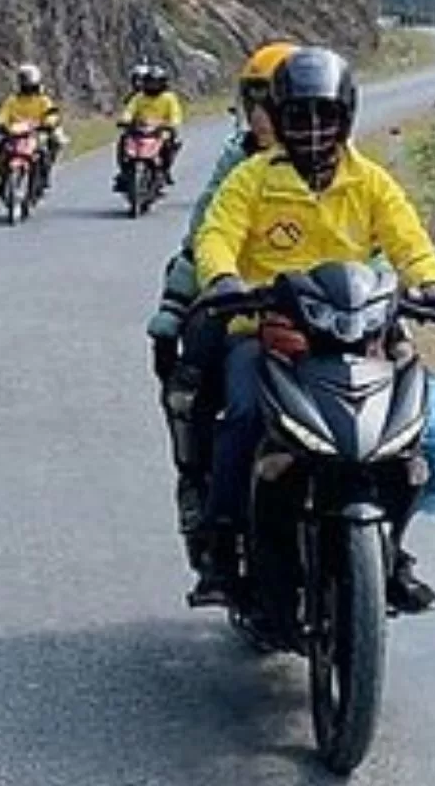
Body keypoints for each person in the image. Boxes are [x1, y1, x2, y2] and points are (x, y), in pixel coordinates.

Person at [190, 47, 435, 613]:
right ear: (279, 118)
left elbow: (408, 239)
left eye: (325, 116)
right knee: (242, 411)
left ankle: (391, 550)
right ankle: (221, 542)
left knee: (412, 430)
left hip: (361, 329)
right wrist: (221, 279)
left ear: (345, 118)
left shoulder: (370, 181)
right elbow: (216, 234)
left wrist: (432, 284)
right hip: (269, 330)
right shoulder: (251, 180)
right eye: (299, 117)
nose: (313, 130)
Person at [144, 41, 294, 567]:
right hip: (244, 312)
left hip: (329, 323)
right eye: (255, 100)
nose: (262, 114)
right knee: (193, 388)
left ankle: (391, 540)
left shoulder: (342, 165)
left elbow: (377, 241)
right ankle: (209, 507)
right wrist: (176, 302)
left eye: (274, 101)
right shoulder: (239, 163)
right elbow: (205, 235)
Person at [0, 62, 63, 193]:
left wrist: (49, 123)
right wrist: (0, 123)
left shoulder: (42, 99)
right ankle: (3, 178)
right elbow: (4, 114)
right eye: (23, 78)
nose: (25, 82)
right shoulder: (13, 100)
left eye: (27, 78)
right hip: (16, 133)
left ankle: (44, 173)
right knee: (1, 147)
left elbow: (51, 113)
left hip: (37, 131)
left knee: (52, 144)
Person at [115, 62, 185, 186]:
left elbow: (175, 113)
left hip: (161, 129)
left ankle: (164, 169)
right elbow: (130, 110)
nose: (153, 86)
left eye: (156, 83)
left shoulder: (169, 97)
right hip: (140, 128)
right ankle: (125, 170)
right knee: (123, 141)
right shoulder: (139, 97)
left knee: (169, 144)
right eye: (150, 82)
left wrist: (172, 124)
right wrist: (125, 120)